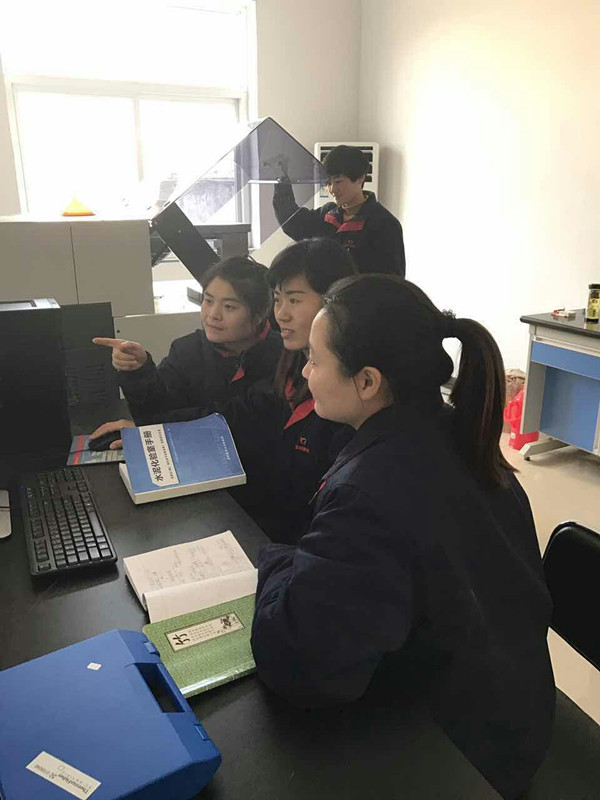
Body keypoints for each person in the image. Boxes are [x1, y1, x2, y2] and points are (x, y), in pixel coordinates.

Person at [251, 275, 555, 799]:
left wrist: (279, 561)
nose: (304, 371)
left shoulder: (368, 495)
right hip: (511, 713)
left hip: (452, 754)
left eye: (315, 361)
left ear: (368, 382)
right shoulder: (458, 434)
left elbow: (301, 664)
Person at [89, 255, 282, 447]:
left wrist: (152, 428)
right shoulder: (187, 350)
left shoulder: (283, 357)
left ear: (260, 313)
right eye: (208, 301)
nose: (213, 315)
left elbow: (238, 419)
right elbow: (156, 409)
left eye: (229, 307)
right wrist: (139, 371)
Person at [273, 144, 405, 276]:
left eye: (338, 181)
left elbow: (391, 281)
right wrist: (282, 180)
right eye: (328, 183)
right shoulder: (328, 214)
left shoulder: (384, 224)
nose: (332, 189)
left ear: (360, 178)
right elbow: (293, 222)